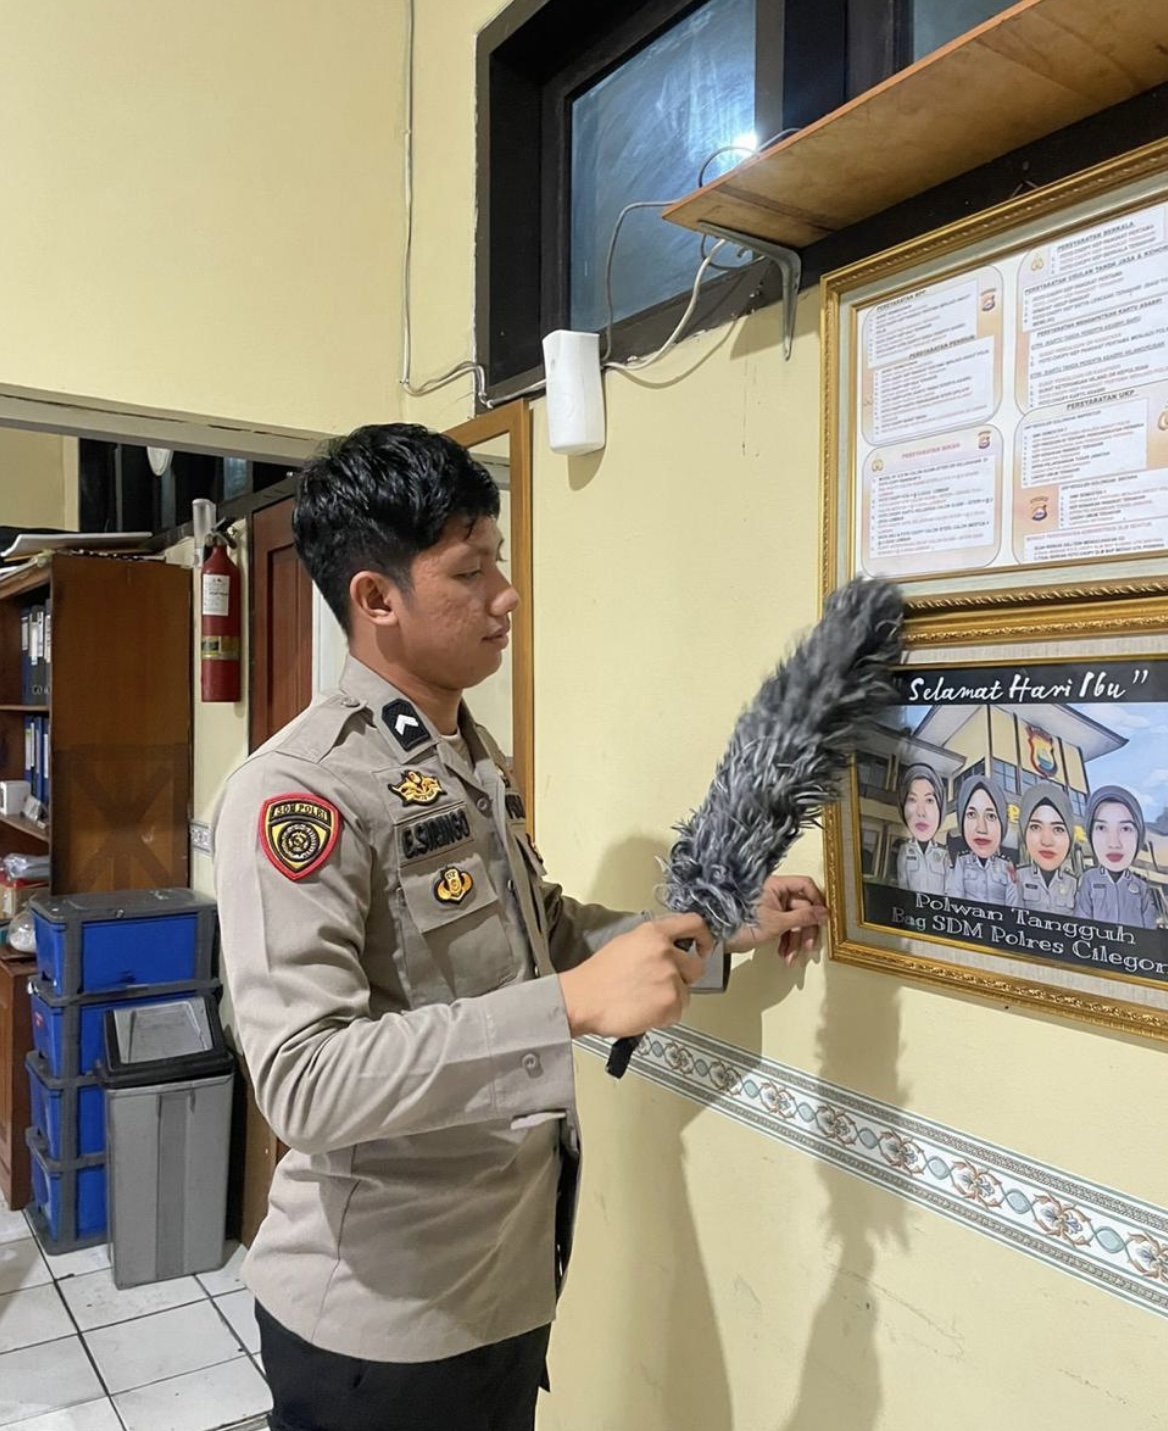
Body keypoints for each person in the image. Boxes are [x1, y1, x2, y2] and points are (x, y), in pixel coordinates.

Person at [212, 423, 828, 1431]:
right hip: (381, 1322)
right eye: (470, 571)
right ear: (375, 599)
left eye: (497, 562)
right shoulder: (300, 792)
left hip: (504, 1281)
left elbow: (545, 933)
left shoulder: (466, 754)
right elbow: (304, 1082)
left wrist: (718, 925)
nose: (505, 595)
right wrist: (568, 1008)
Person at [1074, 784, 1160, 928]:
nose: (1114, 843)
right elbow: (1081, 926)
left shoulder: (1141, 887)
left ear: (1138, 836)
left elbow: (1150, 932)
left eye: (1125, 828)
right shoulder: (1089, 880)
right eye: (1101, 828)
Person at [945, 773, 1018, 907]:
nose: (982, 829)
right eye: (972, 814)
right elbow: (955, 899)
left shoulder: (1007, 865)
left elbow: (1014, 904)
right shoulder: (962, 861)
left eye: (991, 816)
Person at [1015, 782, 1078, 914]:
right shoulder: (1018, 878)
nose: (1046, 841)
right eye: (1035, 827)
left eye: (1058, 829)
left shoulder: (1074, 884)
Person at [893, 762, 949, 894]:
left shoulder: (943, 854)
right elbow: (902, 884)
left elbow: (948, 890)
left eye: (929, 800)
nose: (921, 812)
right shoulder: (905, 850)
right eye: (912, 799)